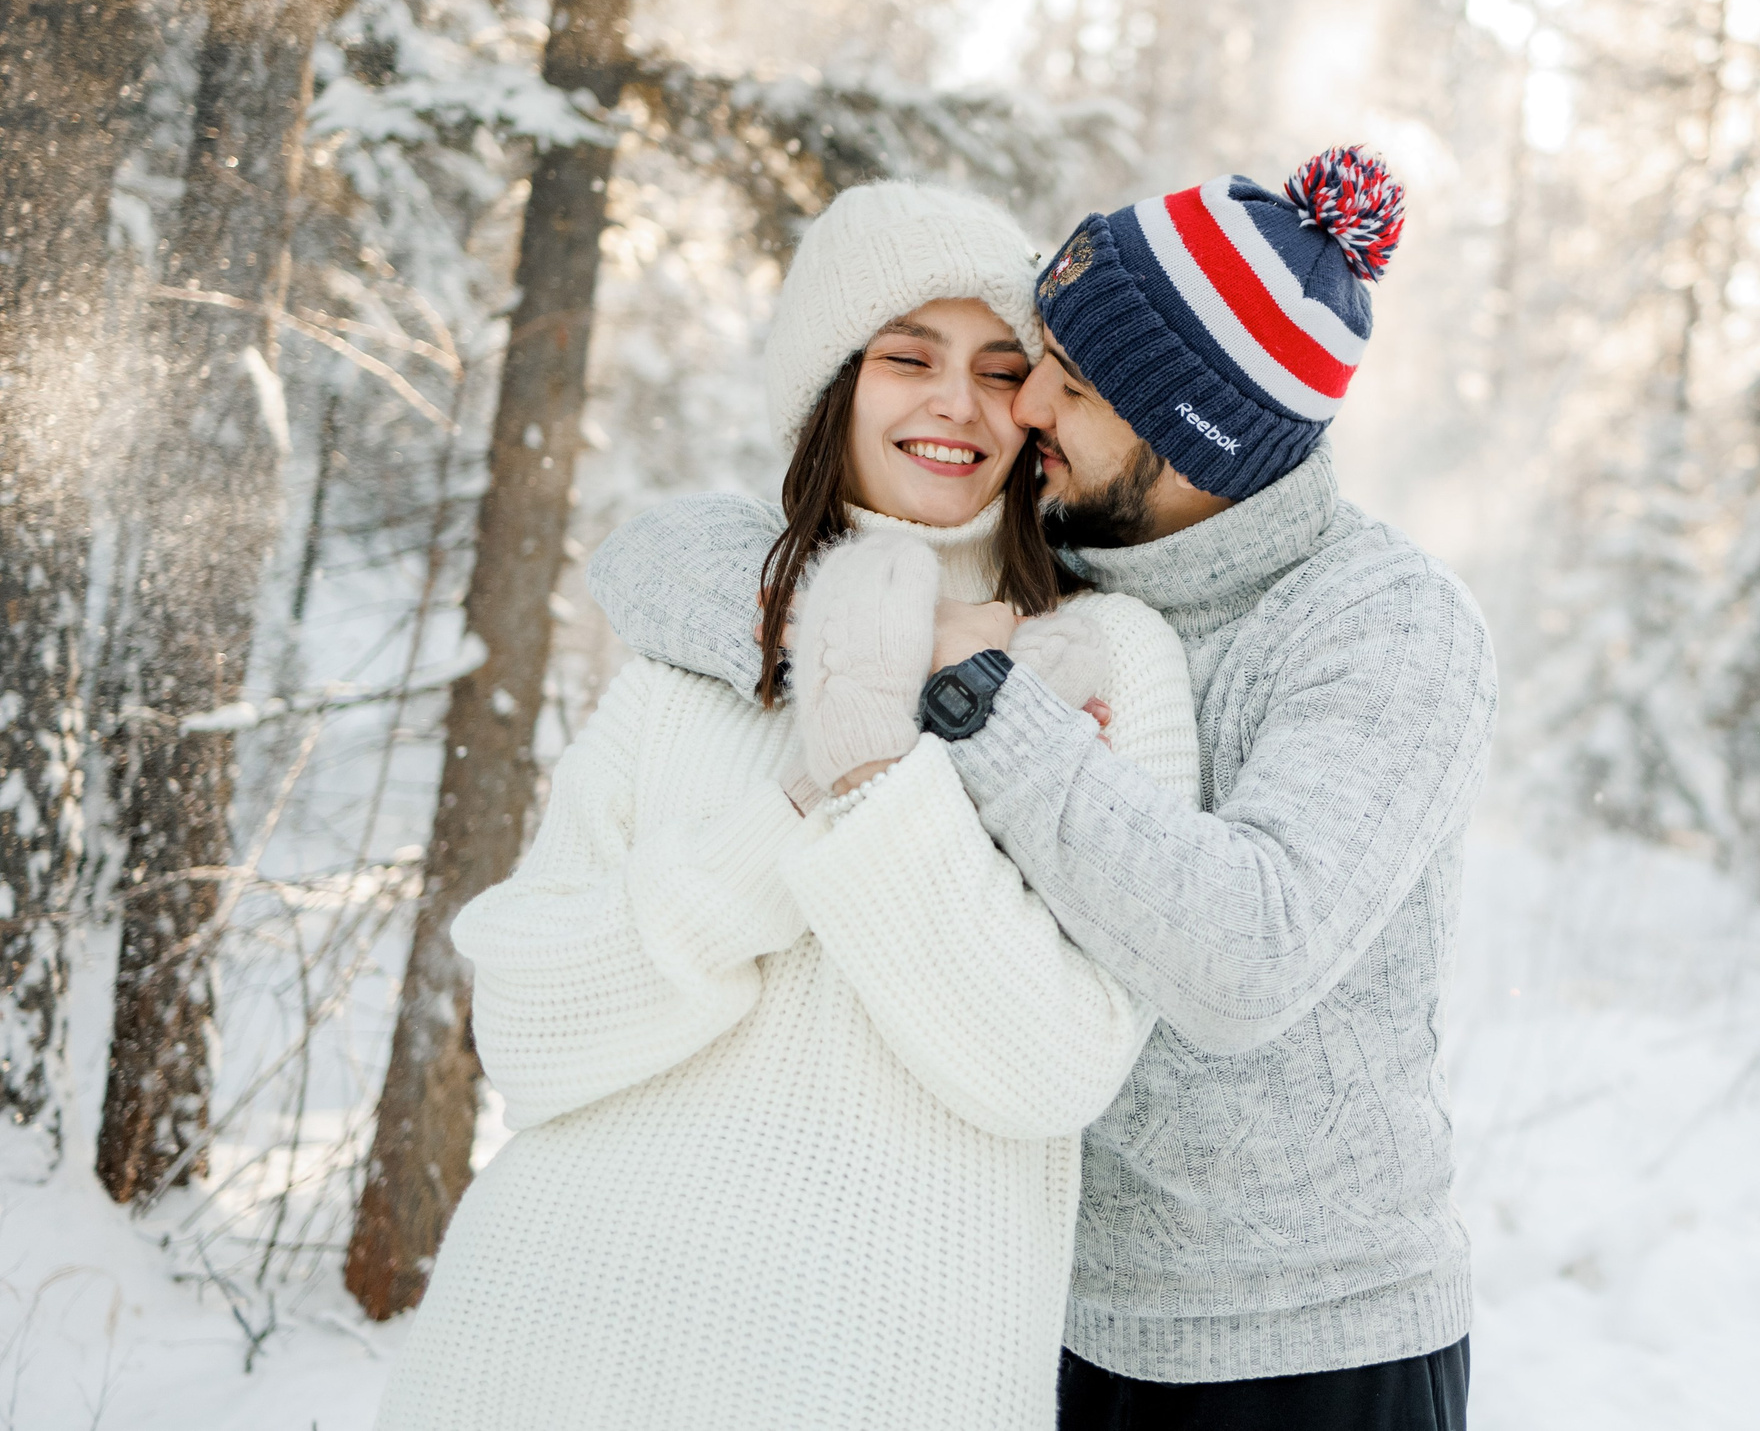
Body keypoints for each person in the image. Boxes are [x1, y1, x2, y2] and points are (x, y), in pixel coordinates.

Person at [591, 148, 1499, 1431]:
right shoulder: (1081, 542)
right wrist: (854, 633)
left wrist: (980, 699)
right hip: (1038, 1319)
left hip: (1302, 1348)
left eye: (1061, 387)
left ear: (1184, 432)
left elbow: (1249, 951)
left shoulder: (1385, 629)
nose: (1018, 416)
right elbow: (664, 555)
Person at [374, 182, 1200, 1431]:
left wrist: (881, 779)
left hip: (873, 1377)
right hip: (541, 1352)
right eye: (903, 357)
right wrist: (795, 811)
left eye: (997, 367)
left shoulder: (1099, 665)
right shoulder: (703, 651)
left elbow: (1055, 1066)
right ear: (831, 390)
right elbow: (532, 1031)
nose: (954, 404)